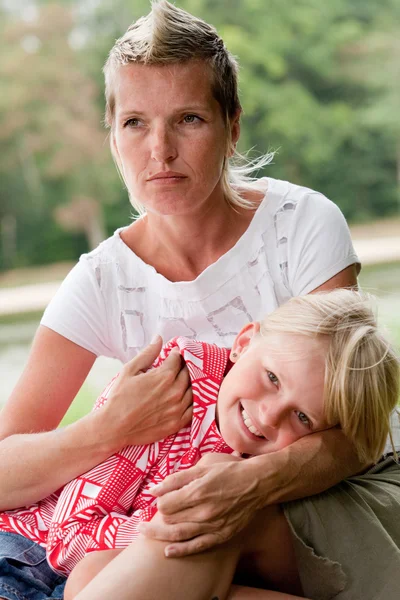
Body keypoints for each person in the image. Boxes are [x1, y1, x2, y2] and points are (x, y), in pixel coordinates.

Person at [0, 1, 397, 599]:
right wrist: (107, 430)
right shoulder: (101, 281)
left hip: (336, 491)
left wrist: (251, 482)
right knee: (168, 540)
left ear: (232, 125)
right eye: (134, 122)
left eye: (187, 119)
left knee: (200, 508)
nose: (159, 151)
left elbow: (354, 431)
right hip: (172, 535)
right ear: (112, 134)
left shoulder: (302, 225)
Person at [2, 290, 399, 600]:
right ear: (244, 343)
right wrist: (179, 522)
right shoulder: (172, 392)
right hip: (24, 556)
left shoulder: (284, 467)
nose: (266, 416)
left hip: (94, 573)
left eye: (302, 417)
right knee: (91, 574)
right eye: (272, 379)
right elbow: (69, 536)